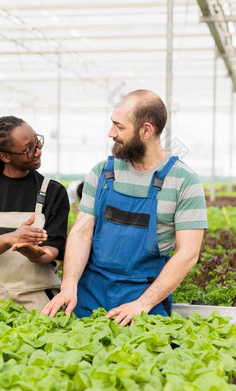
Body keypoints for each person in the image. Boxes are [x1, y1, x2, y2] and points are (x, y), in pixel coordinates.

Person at [42, 90, 208, 325]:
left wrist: (143, 304)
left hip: (143, 299)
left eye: (119, 126)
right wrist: (68, 287)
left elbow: (187, 253)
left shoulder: (184, 181)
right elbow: (81, 232)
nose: (111, 133)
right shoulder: (102, 173)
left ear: (146, 130)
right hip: (90, 294)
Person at [0, 116, 69, 311]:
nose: (38, 151)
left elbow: (53, 247)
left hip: (39, 297)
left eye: (36, 142)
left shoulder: (54, 192)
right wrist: (11, 238)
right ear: (5, 156)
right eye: (28, 148)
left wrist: (35, 254)